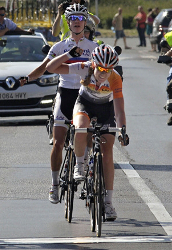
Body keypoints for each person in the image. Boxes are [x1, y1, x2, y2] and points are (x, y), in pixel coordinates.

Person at [20, 4, 98, 204]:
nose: (77, 22)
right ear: (68, 22)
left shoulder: (94, 48)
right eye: (73, 18)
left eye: (81, 18)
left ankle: (86, 164)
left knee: (88, 133)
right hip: (65, 94)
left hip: (86, 95)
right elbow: (44, 68)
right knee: (58, 142)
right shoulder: (59, 47)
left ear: (85, 22)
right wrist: (26, 79)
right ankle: (54, 184)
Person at [46, 44, 129, 220]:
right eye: (100, 68)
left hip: (105, 109)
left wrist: (122, 130)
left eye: (108, 69)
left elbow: (119, 109)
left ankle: (108, 203)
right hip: (84, 105)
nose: (103, 73)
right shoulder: (84, 67)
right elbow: (51, 68)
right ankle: (79, 165)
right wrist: (67, 55)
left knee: (108, 153)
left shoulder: (115, 78)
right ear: (93, 64)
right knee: (81, 127)